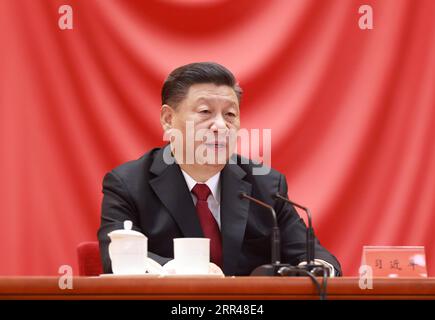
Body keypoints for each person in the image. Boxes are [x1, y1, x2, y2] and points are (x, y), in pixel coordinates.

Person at [97, 62, 342, 276]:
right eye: (205, 112)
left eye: (230, 115)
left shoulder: (266, 186)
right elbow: (117, 260)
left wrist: (319, 269)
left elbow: (315, 257)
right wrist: (188, 270)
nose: (220, 126)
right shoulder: (128, 184)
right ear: (168, 119)